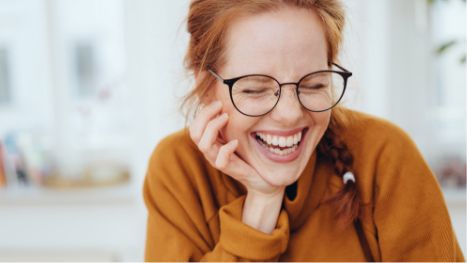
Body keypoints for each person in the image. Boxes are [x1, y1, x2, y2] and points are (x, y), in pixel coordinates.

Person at [143, 0, 465, 261]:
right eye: (255, 89)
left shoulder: (386, 155)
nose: (290, 114)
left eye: (313, 84)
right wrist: (262, 203)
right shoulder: (178, 171)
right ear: (205, 87)